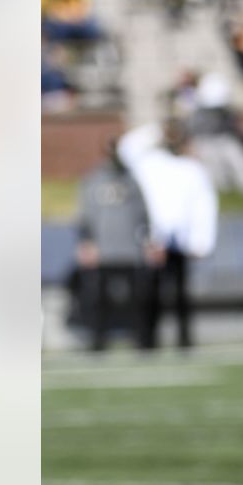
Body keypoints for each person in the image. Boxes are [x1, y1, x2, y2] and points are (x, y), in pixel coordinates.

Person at [118, 120, 218, 349]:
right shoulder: (149, 163)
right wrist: (157, 128)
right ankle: (147, 342)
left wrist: (200, 241)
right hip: (152, 239)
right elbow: (126, 147)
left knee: (181, 294)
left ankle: (185, 342)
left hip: (180, 240)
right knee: (149, 293)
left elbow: (203, 206)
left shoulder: (192, 168)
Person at [74, 140, 155, 351]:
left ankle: (143, 341)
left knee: (138, 299)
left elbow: (143, 214)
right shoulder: (93, 179)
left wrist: (146, 242)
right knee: (98, 300)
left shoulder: (131, 179)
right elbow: (85, 216)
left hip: (130, 250)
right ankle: (97, 342)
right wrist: (86, 243)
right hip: (103, 251)